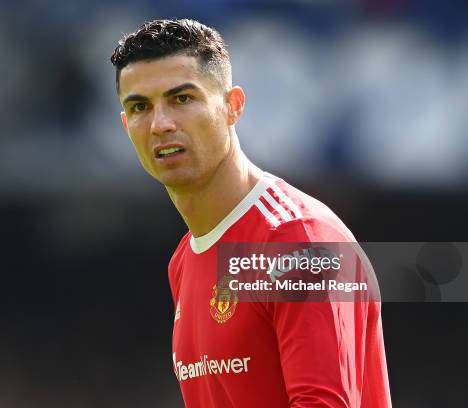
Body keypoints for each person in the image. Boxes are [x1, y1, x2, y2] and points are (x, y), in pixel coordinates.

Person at [110, 19, 391, 407]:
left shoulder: (299, 239)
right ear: (127, 125)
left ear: (232, 106)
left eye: (182, 99)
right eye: (140, 107)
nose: (161, 124)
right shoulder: (184, 260)